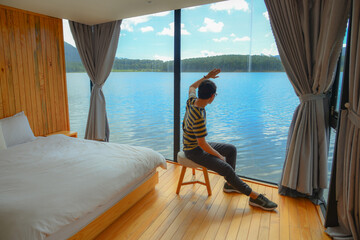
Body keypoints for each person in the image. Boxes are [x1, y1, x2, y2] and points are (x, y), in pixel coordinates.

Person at [182, 68, 277, 211]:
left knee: (231, 150)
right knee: (226, 167)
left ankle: (230, 185)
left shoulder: (192, 101)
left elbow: (191, 87)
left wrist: (207, 77)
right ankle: (254, 197)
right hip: (193, 151)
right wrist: (219, 156)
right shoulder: (198, 117)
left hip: (196, 145)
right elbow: (202, 144)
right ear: (212, 96)